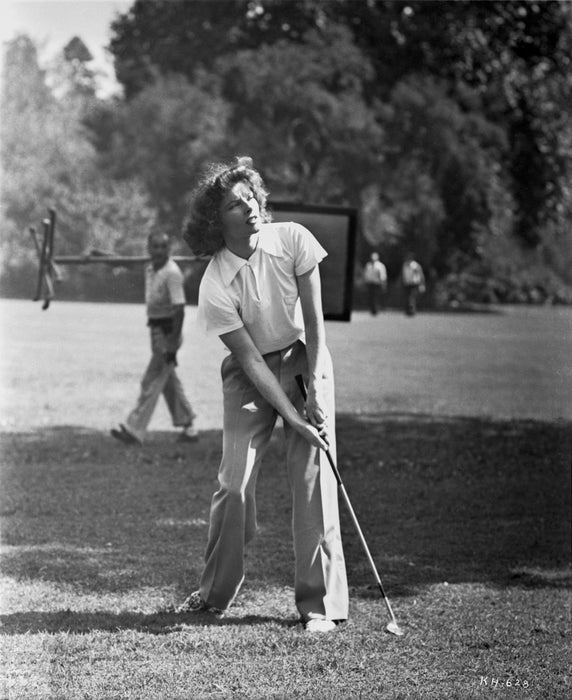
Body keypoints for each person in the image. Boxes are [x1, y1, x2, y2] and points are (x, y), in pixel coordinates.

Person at [176, 157, 349, 633]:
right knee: (234, 485)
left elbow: (315, 324)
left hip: (304, 357)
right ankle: (213, 595)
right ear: (217, 220)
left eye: (251, 196)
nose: (249, 206)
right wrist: (291, 418)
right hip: (249, 373)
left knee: (312, 479)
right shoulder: (213, 285)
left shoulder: (293, 238)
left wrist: (314, 387)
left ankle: (319, 606)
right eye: (235, 203)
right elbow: (251, 361)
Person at [110, 232, 198, 445]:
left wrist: (171, 344)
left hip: (168, 332)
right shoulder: (150, 268)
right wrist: (100, 254)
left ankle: (134, 429)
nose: (159, 251)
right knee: (167, 380)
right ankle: (189, 427)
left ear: (169, 250)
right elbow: (126, 264)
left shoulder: (172, 273)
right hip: (156, 330)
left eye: (163, 247)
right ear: (149, 249)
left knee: (151, 380)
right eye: (155, 247)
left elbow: (179, 310)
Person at [401, 251, 425, 316]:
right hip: (407, 283)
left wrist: (421, 284)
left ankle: (412, 311)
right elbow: (403, 274)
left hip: (414, 284)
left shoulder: (415, 265)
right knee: (407, 298)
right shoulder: (405, 264)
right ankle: (407, 311)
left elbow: (420, 275)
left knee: (411, 297)